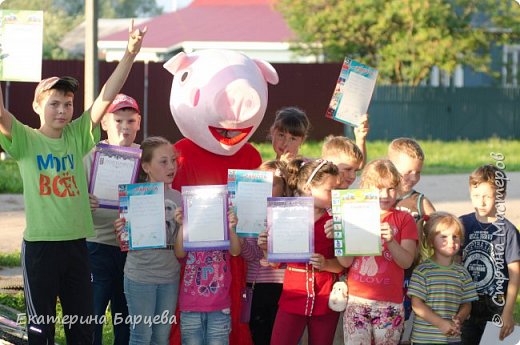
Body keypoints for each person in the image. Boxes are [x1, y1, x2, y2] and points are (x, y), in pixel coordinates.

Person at [0, 22, 146, 344]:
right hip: (40, 248)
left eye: (68, 104)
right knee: (41, 331)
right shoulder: (25, 140)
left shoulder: (77, 136)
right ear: (37, 106)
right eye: (54, 103)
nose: (63, 110)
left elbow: (106, 96)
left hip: (78, 246)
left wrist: (129, 53)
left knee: (82, 329)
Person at [337, 159, 417, 345]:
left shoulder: (404, 219)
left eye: (391, 188)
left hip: (390, 303)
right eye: (378, 188)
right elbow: (346, 262)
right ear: (365, 187)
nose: (385, 194)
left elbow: (406, 262)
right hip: (357, 300)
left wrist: (391, 242)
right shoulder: (354, 214)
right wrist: (339, 237)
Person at [268, 158, 344, 345]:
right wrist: (266, 247)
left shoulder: (336, 220)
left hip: (325, 299)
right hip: (292, 296)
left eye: (338, 189)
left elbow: (344, 265)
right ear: (309, 189)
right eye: (330, 190)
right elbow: (274, 263)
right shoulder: (286, 215)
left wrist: (326, 264)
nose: (336, 194)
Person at [85, 94, 142, 345]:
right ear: (104, 123)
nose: (125, 126)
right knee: (91, 316)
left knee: (125, 316)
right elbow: (73, 196)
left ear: (139, 122)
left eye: (131, 120)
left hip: (132, 251)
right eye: (118, 120)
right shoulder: (91, 154)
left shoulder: (146, 157)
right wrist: (82, 202)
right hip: (95, 246)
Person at [114, 136, 181, 344]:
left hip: (170, 277)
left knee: (161, 337)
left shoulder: (179, 198)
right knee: (141, 336)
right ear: (146, 166)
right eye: (163, 161)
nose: (171, 166)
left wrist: (185, 226)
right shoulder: (133, 198)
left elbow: (182, 248)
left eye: (174, 160)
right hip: (140, 277)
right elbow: (124, 244)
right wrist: (122, 233)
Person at [460, 164, 520, 344]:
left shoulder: (508, 231)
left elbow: (515, 275)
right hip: (466, 303)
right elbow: (453, 264)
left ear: (501, 196)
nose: (481, 201)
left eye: (487, 196)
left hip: (496, 305)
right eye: (476, 196)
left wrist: (508, 313)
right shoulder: (462, 224)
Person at [174, 200, 241, 344]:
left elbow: (235, 251)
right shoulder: (190, 231)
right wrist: (182, 226)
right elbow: (179, 253)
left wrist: (231, 228)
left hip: (219, 307)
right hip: (190, 308)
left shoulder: (223, 231)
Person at [407, 212, 478, 345]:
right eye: (444, 237)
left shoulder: (462, 272)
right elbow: (417, 304)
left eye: (455, 236)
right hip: (424, 339)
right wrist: (441, 324)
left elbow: (467, 303)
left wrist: (459, 318)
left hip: (452, 338)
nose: (451, 241)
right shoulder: (422, 271)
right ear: (431, 241)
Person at [239, 160, 288, 345]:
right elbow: (250, 256)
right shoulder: (249, 215)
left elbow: (293, 254)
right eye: (262, 184)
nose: (267, 189)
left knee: (282, 337)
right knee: (259, 336)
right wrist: (241, 236)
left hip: (284, 285)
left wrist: (272, 249)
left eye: (273, 184)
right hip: (256, 286)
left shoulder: (291, 213)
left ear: (284, 188)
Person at [388, 138, 435, 221]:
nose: (414, 178)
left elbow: (438, 229)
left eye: (418, 172)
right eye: (408, 172)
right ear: (390, 167)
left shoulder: (421, 203)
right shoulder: (378, 198)